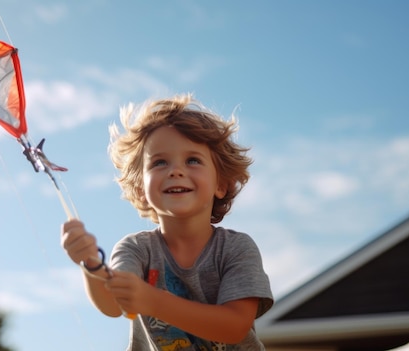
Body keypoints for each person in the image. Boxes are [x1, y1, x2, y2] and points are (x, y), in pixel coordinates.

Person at [61, 93, 273, 350]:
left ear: (221, 184)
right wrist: (90, 264)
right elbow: (114, 304)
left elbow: (235, 326)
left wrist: (154, 302)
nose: (175, 170)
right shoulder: (136, 249)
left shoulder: (236, 248)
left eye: (193, 160)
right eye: (159, 162)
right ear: (141, 189)